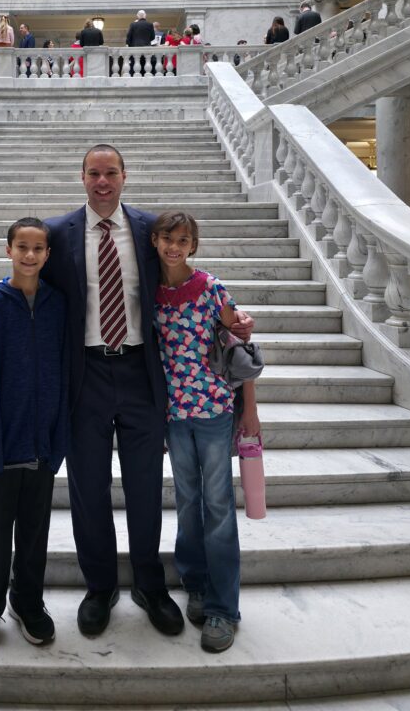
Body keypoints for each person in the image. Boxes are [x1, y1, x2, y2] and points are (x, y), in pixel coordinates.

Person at [0, 145, 254, 642]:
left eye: (111, 173)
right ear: (81, 177)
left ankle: (149, 584)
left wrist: (234, 318)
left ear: (124, 176)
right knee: (88, 488)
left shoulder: (147, 230)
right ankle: (99, 587)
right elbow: (26, 276)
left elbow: (183, 275)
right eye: (94, 173)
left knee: (144, 486)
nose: (103, 181)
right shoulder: (58, 234)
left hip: (142, 374)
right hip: (86, 377)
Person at [151, 211, 259, 654]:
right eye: (167, 239)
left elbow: (241, 347)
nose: (174, 247)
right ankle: (194, 583)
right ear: (155, 242)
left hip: (214, 410)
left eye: (183, 239)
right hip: (174, 416)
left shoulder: (213, 289)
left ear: (193, 245)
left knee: (217, 506)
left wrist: (249, 410)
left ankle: (222, 607)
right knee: (188, 500)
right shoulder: (150, 296)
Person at [0, 217, 68, 662]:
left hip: (42, 442)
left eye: (38, 248)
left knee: (35, 532)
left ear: (47, 254)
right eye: (21, 247)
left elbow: (64, 372)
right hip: (1, 443)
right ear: (8, 250)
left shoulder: (58, 304)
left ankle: (27, 601)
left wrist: (57, 439)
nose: (29, 255)